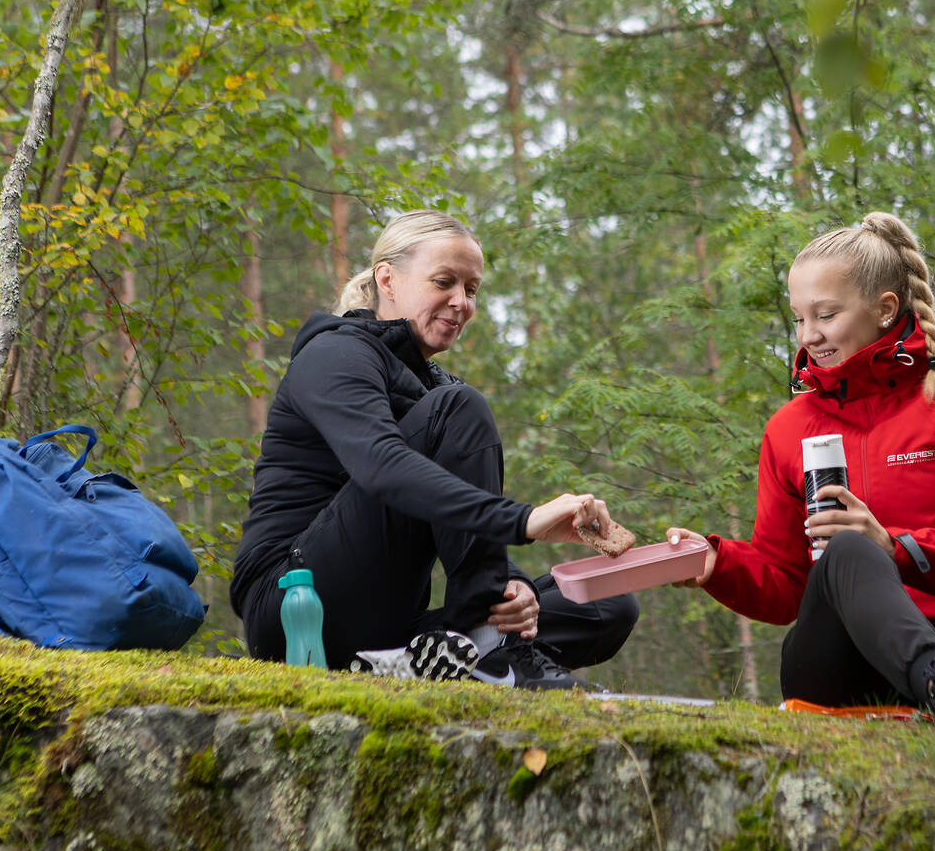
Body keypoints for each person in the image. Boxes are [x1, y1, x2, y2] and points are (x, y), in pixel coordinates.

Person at [668, 211, 935, 754]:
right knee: (846, 551)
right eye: (799, 318)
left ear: (885, 309)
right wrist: (718, 564)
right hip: (837, 658)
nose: (809, 335)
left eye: (825, 314)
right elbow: (786, 587)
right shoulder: (788, 430)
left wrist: (895, 547)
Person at [230, 209, 639, 689]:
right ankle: (495, 653)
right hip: (293, 606)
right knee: (458, 407)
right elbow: (384, 467)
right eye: (444, 281)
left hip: (384, 623)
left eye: (471, 290)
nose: (460, 302)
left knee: (607, 603)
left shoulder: (437, 391)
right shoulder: (335, 354)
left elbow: (457, 528)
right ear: (388, 279)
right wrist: (521, 520)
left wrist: (514, 589)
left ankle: (451, 658)